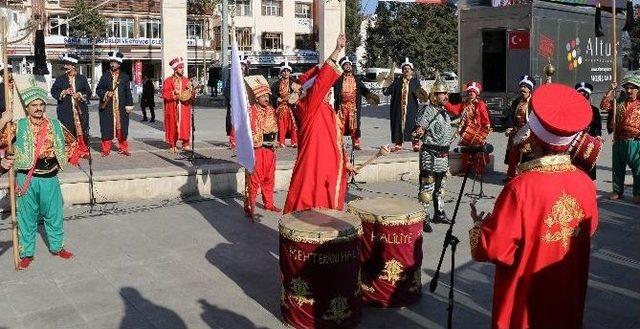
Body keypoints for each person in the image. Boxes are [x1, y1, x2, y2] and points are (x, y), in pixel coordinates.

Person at [469, 83, 598, 329]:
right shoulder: (585, 183)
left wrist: (479, 225)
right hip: (567, 290)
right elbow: (588, 230)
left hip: (527, 298)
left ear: (535, 138)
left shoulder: (520, 187)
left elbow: (496, 248)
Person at [0, 76, 82, 270]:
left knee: (54, 215)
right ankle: (26, 253)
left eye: (41, 104)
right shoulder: (17, 126)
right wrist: (3, 120)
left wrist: (65, 157)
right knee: (26, 218)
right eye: (34, 105)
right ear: (27, 107)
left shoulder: (55, 125)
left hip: (50, 177)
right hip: (26, 178)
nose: (38, 108)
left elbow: (72, 142)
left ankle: (57, 247)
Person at [283, 34, 359, 214]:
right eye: (326, 90)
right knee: (307, 211)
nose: (329, 92)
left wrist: (345, 164)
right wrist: (338, 50)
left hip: (328, 170)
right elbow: (321, 81)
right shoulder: (308, 106)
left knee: (327, 214)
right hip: (313, 170)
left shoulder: (327, 110)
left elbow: (336, 142)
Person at [413, 74, 456, 227]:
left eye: (446, 93)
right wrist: (419, 130)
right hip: (430, 154)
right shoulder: (429, 110)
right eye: (443, 93)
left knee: (441, 186)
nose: (446, 96)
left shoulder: (444, 112)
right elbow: (420, 128)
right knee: (427, 186)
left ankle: (439, 213)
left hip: (443, 155)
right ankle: (424, 217)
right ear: (435, 95)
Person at [244, 75, 281, 220]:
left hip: (270, 150)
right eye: (262, 96)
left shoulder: (271, 110)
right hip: (257, 150)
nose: (266, 98)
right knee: (254, 180)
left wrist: (276, 141)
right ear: (256, 97)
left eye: (267, 95)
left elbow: (275, 129)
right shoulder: (251, 110)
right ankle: (251, 207)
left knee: (269, 178)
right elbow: (249, 131)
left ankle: (269, 204)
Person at [600, 75, 640, 203]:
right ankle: (617, 191)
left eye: (632, 88)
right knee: (617, 169)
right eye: (627, 88)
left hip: (636, 142)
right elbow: (603, 105)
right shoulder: (618, 102)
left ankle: (637, 193)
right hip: (618, 141)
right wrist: (611, 90)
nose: (629, 91)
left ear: (638, 90)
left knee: (638, 169)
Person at [445, 81, 491, 178]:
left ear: (476, 93)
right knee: (465, 151)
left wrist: (487, 125)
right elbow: (454, 110)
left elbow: (484, 115)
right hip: (466, 131)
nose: (471, 93)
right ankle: (465, 170)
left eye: (473, 92)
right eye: (469, 92)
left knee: (477, 152)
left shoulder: (480, 104)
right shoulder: (464, 104)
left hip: (477, 131)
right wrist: (445, 103)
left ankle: (478, 171)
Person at [50, 53, 91, 158]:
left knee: (81, 130)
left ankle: (82, 150)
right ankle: (70, 152)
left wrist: (80, 95)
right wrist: (64, 92)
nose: (65, 67)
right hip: (65, 110)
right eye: (65, 64)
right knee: (67, 131)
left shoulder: (82, 78)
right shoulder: (60, 79)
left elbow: (88, 92)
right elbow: (53, 91)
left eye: (67, 65)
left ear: (73, 66)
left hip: (80, 110)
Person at [333, 56, 378, 150]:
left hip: (353, 107)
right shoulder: (338, 79)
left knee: (355, 125)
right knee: (340, 125)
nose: (348, 66)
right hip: (342, 107)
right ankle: (339, 142)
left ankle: (356, 142)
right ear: (342, 67)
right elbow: (327, 83)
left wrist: (369, 95)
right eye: (345, 65)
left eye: (349, 65)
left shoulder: (357, 79)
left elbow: (364, 90)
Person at [96, 51, 134, 157]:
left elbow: (128, 92)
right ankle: (106, 149)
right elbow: (98, 90)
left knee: (122, 129)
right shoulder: (105, 76)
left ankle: (123, 148)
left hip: (121, 108)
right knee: (106, 128)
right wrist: (106, 93)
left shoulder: (125, 76)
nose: (112, 64)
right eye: (111, 62)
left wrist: (129, 104)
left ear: (119, 64)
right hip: (108, 107)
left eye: (115, 62)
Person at [383, 57, 426, 152]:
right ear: (402, 70)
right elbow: (387, 92)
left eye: (408, 69)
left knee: (413, 124)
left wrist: (423, 96)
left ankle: (415, 143)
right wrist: (385, 83)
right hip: (398, 108)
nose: (406, 70)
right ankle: (398, 144)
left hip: (411, 108)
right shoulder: (397, 81)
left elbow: (421, 95)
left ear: (411, 71)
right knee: (398, 125)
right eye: (404, 69)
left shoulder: (415, 82)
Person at [503, 75, 536, 181]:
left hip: (528, 134)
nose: (523, 89)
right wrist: (509, 126)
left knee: (527, 157)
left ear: (530, 89)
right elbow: (510, 115)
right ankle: (510, 177)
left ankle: (524, 179)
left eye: (525, 87)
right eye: (521, 86)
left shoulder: (534, 102)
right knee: (513, 156)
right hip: (515, 133)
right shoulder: (516, 101)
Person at [162, 57, 195, 153]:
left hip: (184, 107)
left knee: (185, 125)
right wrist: (174, 93)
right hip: (172, 108)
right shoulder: (168, 81)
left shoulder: (186, 80)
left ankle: (186, 144)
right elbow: (165, 95)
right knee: (172, 125)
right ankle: (172, 145)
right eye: (180, 67)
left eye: (183, 67)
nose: (182, 69)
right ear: (175, 69)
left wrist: (193, 90)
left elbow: (191, 96)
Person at [575, 82, 602, 180]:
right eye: (580, 93)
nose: (582, 96)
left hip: (588, 141)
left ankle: (589, 188)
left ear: (588, 95)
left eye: (584, 93)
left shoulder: (594, 110)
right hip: (574, 141)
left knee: (588, 167)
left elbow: (597, 126)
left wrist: (598, 135)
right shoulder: (571, 108)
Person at [224, 56, 250, 149]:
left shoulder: (248, 78)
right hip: (236, 104)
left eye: (243, 66)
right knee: (235, 123)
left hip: (247, 103)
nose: (242, 68)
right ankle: (233, 141)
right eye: (240, 66)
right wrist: (233, 99)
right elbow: (227, 91)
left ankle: (247, 140)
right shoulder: (232, 79)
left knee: (247, 123)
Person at [270, 60, 298, 148]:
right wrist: (277, 98)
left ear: (290, 72)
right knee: (281, 124)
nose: (286, 73)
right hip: (281, 107)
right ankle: (281, 141)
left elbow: (299, 93)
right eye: (284, 71)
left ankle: (294, 141)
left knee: (293, 124)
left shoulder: (294, 83)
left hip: (292, 107)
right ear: (281, 72)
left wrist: (294, 98)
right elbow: (272, 94)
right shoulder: (276, 84)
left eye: (288, 71)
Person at [0, 64, 25, 128]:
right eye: (5, 73)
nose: (8, 75)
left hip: (18, 115)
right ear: (2, 75)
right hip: (6, 115)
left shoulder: (16, 85)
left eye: (9, 72)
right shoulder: (1, 87)